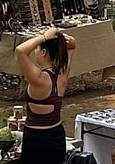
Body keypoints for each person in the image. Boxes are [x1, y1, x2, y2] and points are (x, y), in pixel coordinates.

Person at [15, 26, 76, 163]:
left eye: (37, 48)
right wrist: (61, 37)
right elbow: (72, 45)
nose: (35, 51)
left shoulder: (38, 78)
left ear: (43, 52)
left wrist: (44, 37)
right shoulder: (62, 72)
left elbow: (20, 51)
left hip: (35, 138)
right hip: (56, 135)